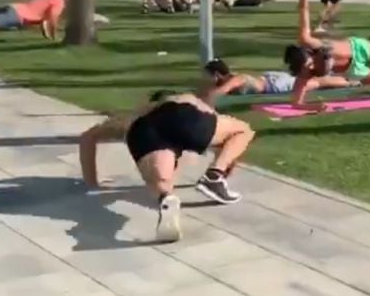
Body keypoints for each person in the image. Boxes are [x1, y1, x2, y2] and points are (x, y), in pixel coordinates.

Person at [77, 90, 255, 242]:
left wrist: (92, 183)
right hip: (182, 117)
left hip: (143, 131)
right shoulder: (186, 99)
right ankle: (214, 176)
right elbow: (225, 140)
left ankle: (165, 197)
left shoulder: (134, 116)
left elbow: (87, 137)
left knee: (161, 182)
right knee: (243, 130)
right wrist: (222, 167)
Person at [202, 58, 357, 101]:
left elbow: (219, 92)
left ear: (217, 74)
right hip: (270, 79)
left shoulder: (236, 79)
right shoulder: (230, 78)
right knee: (313, 81)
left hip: (275, 85)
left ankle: (351, 82)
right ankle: (346, 78)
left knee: (315, 83)